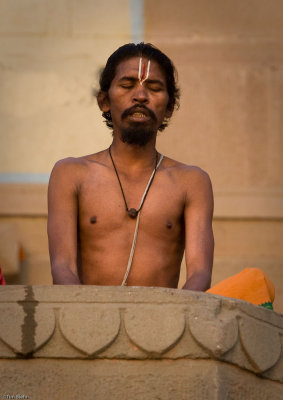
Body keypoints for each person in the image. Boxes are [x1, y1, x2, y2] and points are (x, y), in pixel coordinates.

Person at [47, 42, 214, 289]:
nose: (140, 96)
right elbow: (62, 267)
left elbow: (199, 274)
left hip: (166, 323)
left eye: (154, 88)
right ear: (104, 101)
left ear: (168, 108)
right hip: (87, 322)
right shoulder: (70, 174)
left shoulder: (191, 182)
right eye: (127, 85)